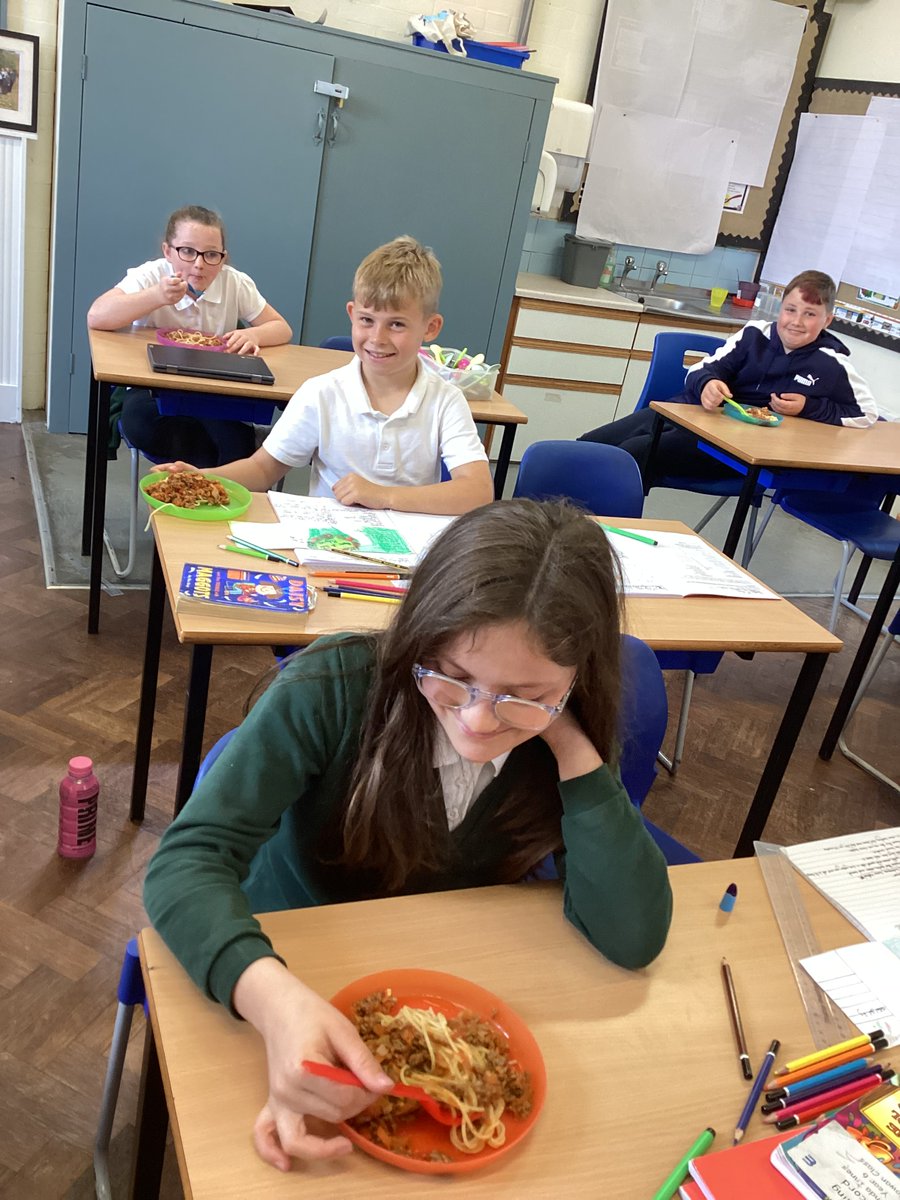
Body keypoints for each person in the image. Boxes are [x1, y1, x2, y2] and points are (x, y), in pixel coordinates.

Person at [143, 498, 673, 1170]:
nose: (480, 720)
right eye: (452, 675)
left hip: (442, 989)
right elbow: (185, 863)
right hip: (291, 962)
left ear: (578, 678)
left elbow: (633, 936)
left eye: (524, 691)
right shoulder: (333, 688)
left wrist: (569, 741)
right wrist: (273, 1002)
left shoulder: (559, 729)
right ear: (421, 635)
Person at [160, 235, 494, 515]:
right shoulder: (322, 392)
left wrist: (384, 496)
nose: (377, 338)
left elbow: (477, 491)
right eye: (366, 320)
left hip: (408, 558)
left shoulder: (445, 400)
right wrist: (203, 478)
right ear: (352, 314)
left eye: (396, 324)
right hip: (328, 545)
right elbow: (263, 469)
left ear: (430, 327)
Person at [579, 270, 878, 486]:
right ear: (780, 309)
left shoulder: (832, 363)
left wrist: (808, 408)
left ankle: (592, 529)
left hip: (732, 451)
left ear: (827, 320)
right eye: (791, 310)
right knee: (589, 446)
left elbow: (867, 414)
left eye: (810, 314)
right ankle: (548, 515)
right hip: (690, 417)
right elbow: (700, 370)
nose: (797, 322)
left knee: (633, 454)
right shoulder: (753, 335)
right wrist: (707, 384)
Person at [87, 204, 292, 466]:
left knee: (230, 441)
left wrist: (254, 334)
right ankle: (205, 482)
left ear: (223, 257)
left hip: (212, 388)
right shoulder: (151, 275)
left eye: (211, 255)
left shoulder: (234, 282)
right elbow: (97, 316)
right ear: (168, 251)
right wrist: (155, 296)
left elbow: (281, 328)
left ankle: (222, 477)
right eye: (187, 251)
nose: (199, 264)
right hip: (153, 389)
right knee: (144, 425)